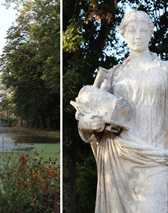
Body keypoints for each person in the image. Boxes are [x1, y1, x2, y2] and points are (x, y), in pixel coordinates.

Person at [71, 10, 168, 212]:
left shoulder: (165, 70)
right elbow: (87, 114)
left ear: (151, 33)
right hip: (117, 157)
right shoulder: (113, 75)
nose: (138, 35)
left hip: (157, 156)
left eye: (143, 30)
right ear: (123, 34)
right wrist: (87, 124)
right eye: (132, 30)